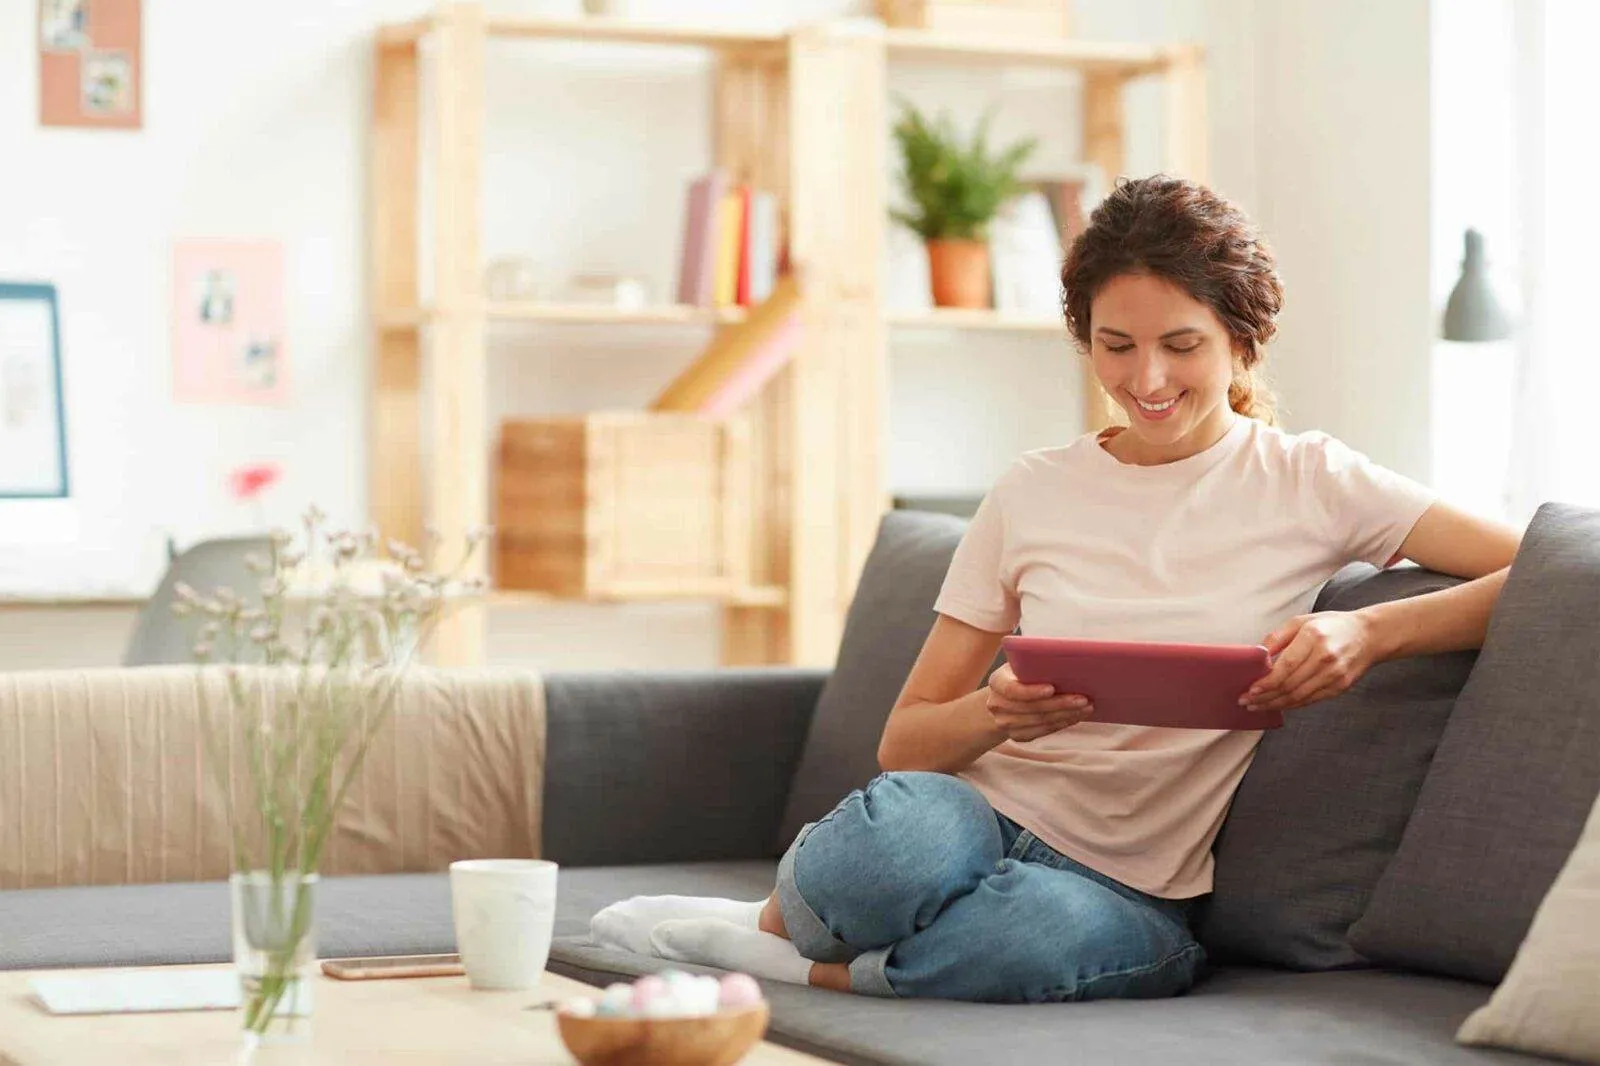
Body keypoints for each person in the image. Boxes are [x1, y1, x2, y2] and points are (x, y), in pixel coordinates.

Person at [589, 175, 1524, 1004]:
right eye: (1115, 346)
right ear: (1084, 339)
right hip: (979, 814)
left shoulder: (1313, 480)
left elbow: (1544, 569)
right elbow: (907, 739)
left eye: (1182, 345)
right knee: (903, 837)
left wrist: (1371, 635)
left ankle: (797, 962)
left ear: (1244, 343)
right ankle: (783, 925)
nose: (1146, 380)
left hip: (1128, 887)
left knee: (1036, 937)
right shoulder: (1034, 490)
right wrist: (998, 714)